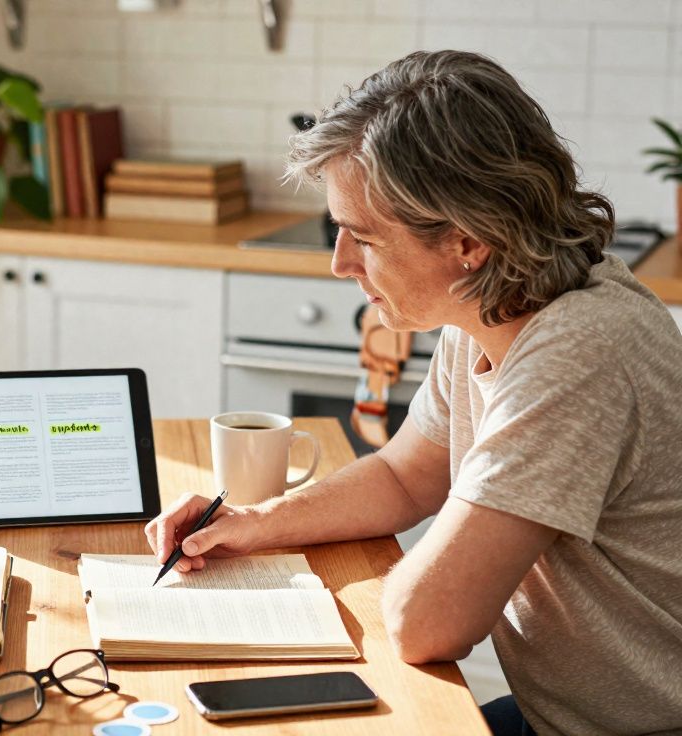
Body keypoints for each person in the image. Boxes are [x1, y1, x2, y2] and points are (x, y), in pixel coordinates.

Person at [146, 50, 682, 735]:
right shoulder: (489, 306)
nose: (340, 263)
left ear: (468, 241)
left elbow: (425, 625)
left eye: (363, 237)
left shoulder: (580, 350)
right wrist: (254, 526)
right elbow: (406, 477)